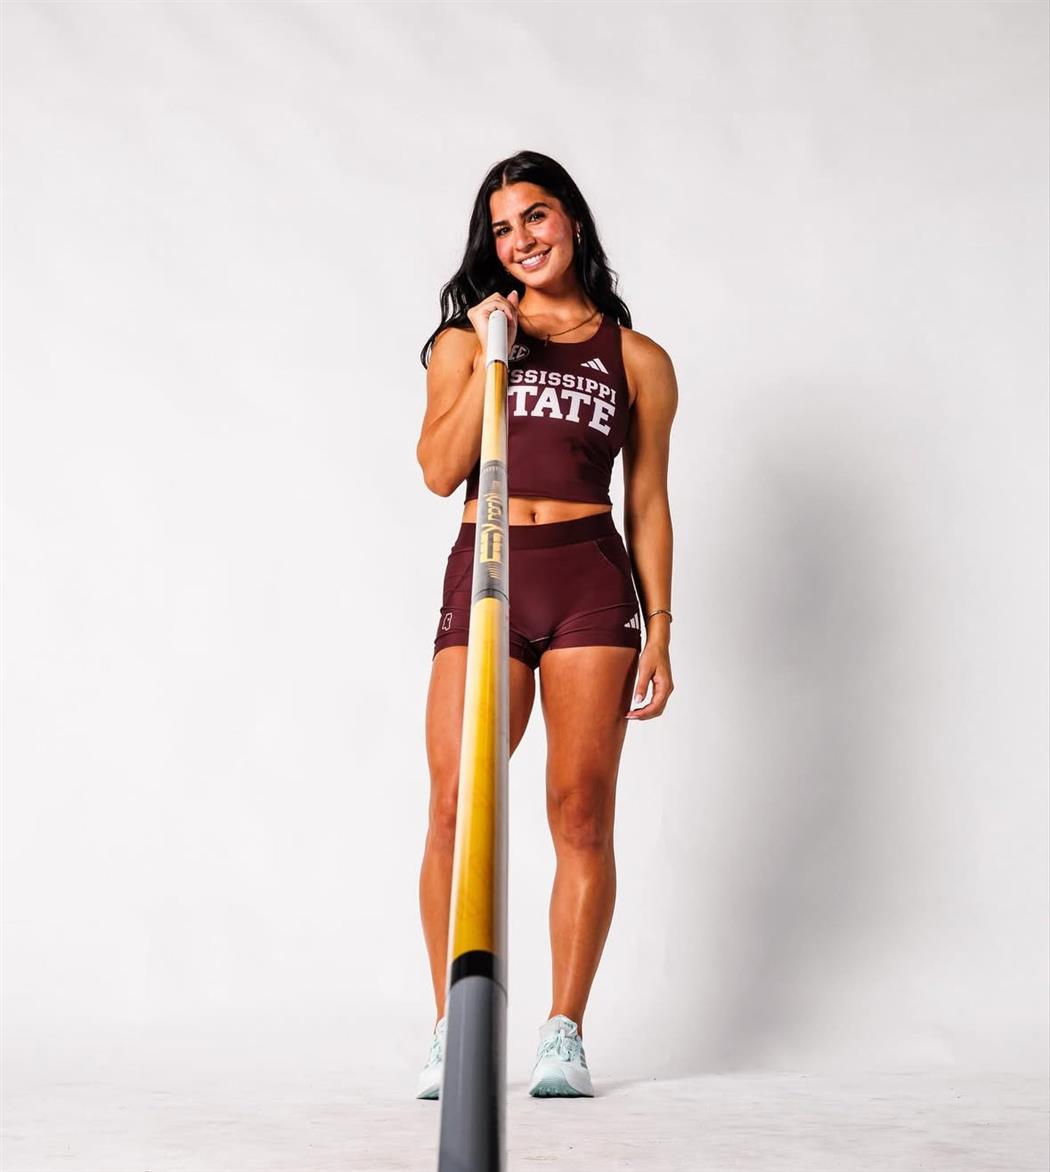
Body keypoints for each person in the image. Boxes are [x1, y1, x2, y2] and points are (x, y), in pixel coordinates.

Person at [414, 150, 677, 1099]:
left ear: (570, 220)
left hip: (588, 583)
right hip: (489, 569)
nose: (520, 239)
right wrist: (493, 356)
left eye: (535, 216)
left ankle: (564, 1032)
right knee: (457, 802)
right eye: (501, 228)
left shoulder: (636, 358)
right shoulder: (467, 339)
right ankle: (452, 1027)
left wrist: (661, 626)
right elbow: (438, 471)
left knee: (579, 810)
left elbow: (646, 501)